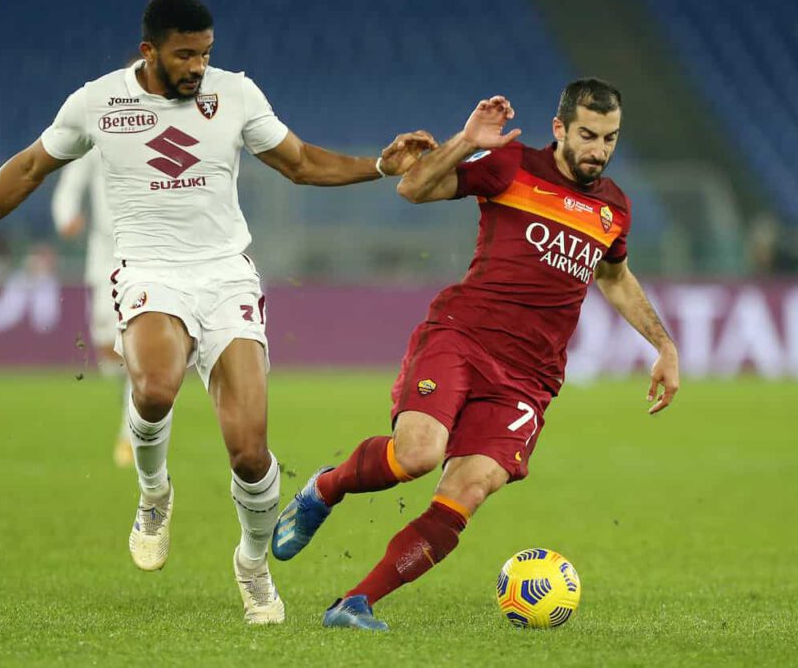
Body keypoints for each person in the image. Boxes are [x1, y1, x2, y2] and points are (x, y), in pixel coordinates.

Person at [0, 0, 435, 625]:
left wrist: (381, 164)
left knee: (248, 451)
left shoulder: (235, 95)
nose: (197, 67)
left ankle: (251, 563)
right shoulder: (99, 101)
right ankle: (154, 493)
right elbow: (27, 169)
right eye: (185, 55)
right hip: (148, 273)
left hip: (225, 278)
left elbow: (300, 163)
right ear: (149, 51)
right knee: (155, 389)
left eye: (205, 53)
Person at [271, 80, 681, 631]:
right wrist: (466, 140)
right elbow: (412, 188)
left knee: (468, 488)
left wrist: (664, 344)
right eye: (587, 135)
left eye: (609, 139)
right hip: (463, 337)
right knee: (416, 455)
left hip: (529, 378)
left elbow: (615, 277)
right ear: (560, 129)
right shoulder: (512, 164)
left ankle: (355, 602)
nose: (598, 150)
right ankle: (325, 488)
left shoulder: (613, 207)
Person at [51, 150, 135, 467]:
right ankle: (133, 391)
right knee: (104, 336)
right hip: (104, 251)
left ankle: (129, 430)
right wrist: (66, 214)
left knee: (134, 345)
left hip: (145, 249)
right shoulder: (97, 127)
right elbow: (71, 181)